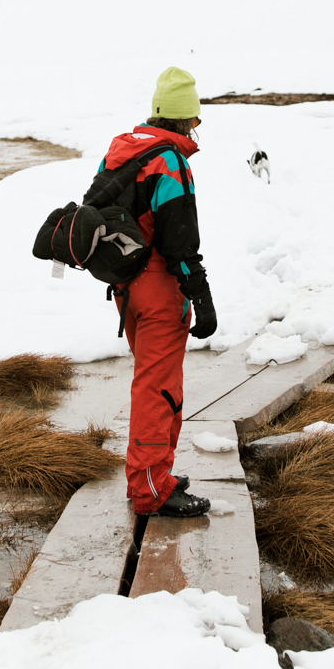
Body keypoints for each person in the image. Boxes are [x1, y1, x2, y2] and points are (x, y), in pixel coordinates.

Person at [101, 66, 218, 518]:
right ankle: (151, 489)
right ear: (184, 118)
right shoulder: (169, 161)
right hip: (158, 292)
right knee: (158, 391)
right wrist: (202, 297)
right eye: (196, 119)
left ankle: (154, 474)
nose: (196, 127)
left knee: (155, 384)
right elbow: (179, 243)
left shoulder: (120, 153)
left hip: (126, 289)